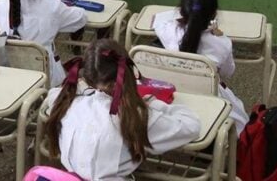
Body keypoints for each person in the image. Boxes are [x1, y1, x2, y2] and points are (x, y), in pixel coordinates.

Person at [45, 39, 200, 180]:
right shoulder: (135, 116)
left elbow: (52, 94)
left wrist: (82, 87)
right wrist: (152, 103)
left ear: (86, 74)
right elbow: (191, 126)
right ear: (127, 73)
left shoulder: (67, 101)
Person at [153, 0, 249, 135]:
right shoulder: (222, 43)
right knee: (240, 115)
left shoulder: (169, 31)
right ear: (214, 14)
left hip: (172, 96)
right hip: (208, 98)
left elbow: (158, 21)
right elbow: (227, 73)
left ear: (182, 12)